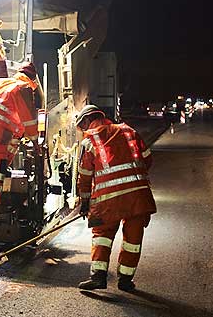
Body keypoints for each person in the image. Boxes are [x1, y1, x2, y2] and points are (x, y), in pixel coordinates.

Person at [74, 105, 157, 291]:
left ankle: (98, 278)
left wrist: (85, 202)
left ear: (87, 120)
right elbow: (147, 159)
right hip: (138, 196)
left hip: (107, 200)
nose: (83, 130)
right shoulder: (129, 132)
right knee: (133, 239)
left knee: (102, 235)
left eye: (82, 126)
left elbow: (85, 176)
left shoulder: (90, 142)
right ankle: (125, 281)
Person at [0, 62, 40, 208]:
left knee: (14, 142)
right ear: (32, 79)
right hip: (0, 126)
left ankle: (4, 168)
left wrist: (21, 134)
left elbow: (17, 117)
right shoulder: (23, 88)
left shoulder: (6, 83)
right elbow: (29, 118)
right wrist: (35, 141)